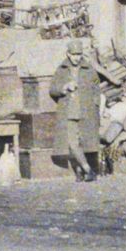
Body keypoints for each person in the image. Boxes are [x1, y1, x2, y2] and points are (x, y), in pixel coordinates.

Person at [51, 39, 102, 182]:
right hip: (68, 112)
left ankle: (79, 171)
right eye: (73, 54)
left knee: (84, 143)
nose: (76, 57)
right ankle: (88, 170)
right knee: (72, 143)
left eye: (79, 54)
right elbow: (52, 89)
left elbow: (96, 89)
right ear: (68, 54)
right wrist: (64, 87)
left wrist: (96, 106)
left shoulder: (89, 70)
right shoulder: (61, 70)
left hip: (86, 111)